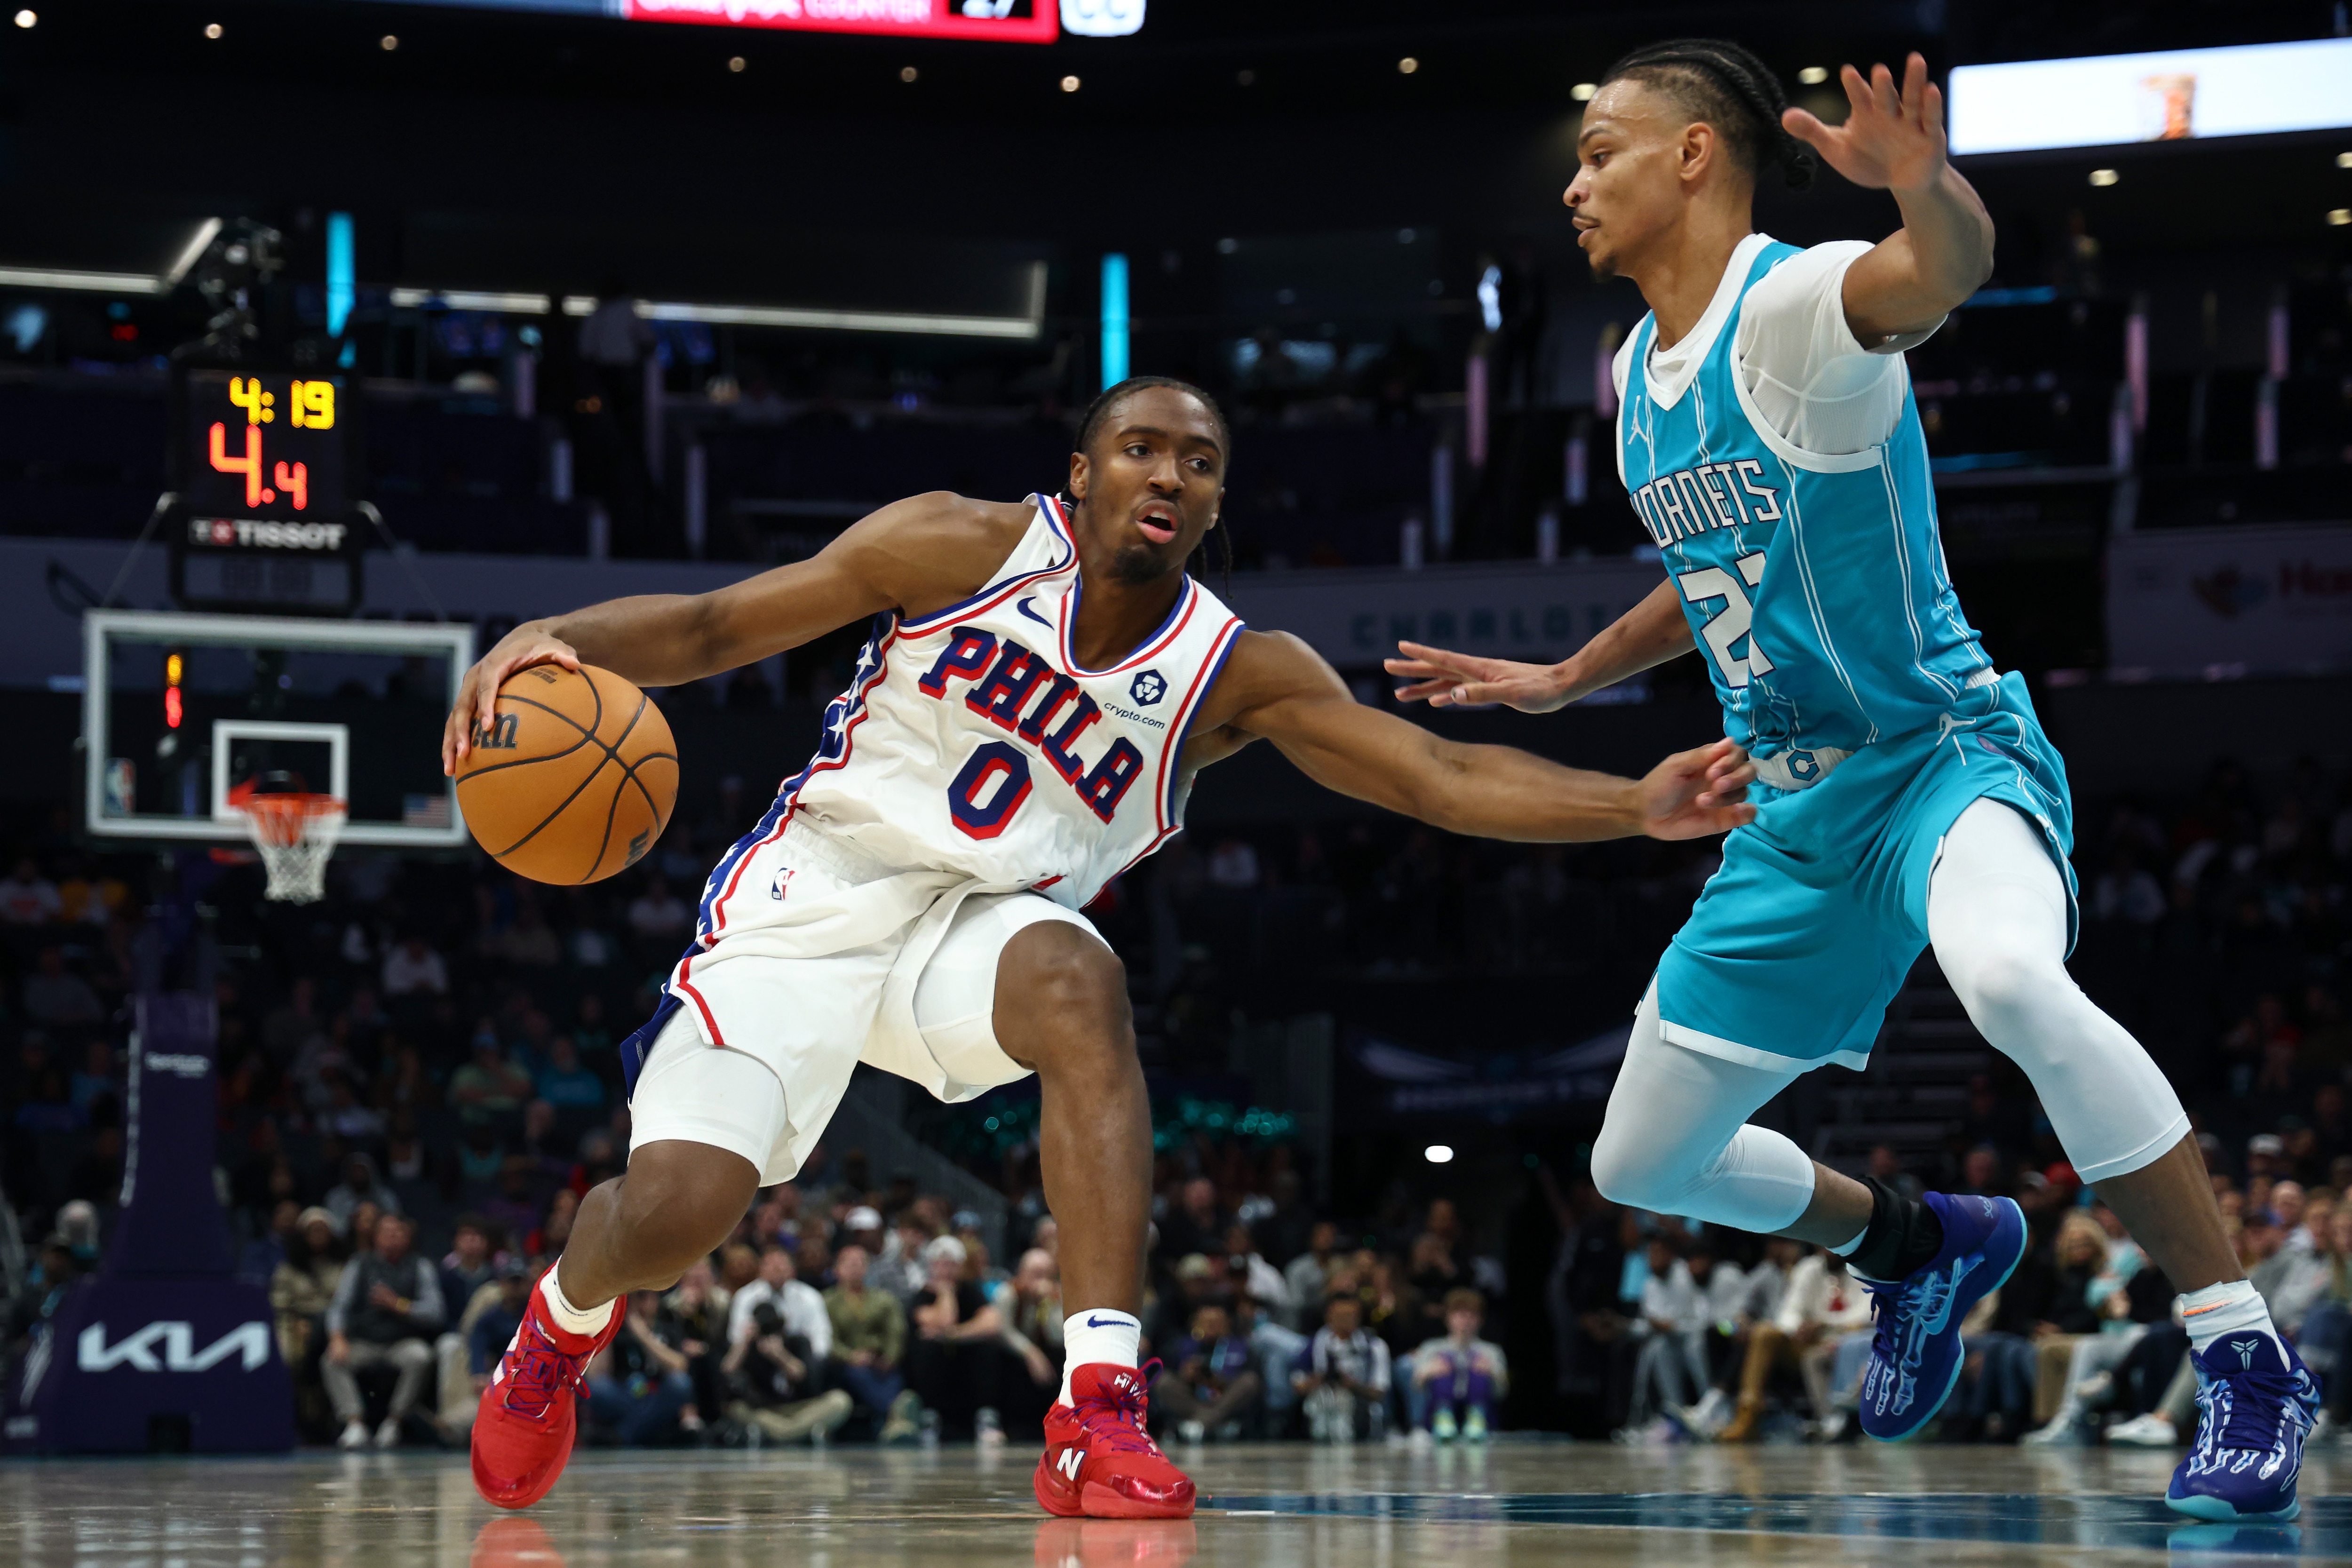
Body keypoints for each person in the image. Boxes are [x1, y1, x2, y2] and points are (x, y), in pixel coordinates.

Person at [445, 375, 1755, 1516]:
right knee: (671, 1217)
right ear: (1082, 473)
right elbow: (723, 625)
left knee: (1081, 973)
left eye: (1198, 461)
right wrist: (557, 637)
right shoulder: (959, 543)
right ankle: (559, 1323)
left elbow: (1432, 774)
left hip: (975, 933)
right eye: (1141, 446)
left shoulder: (1237, 670)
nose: (1169, 472)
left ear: (1213, 504)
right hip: (813, 900)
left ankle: (1098, 1409)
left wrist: (1632, 804)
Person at [1386, 38, 2311, 1522]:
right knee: (1640, 1160)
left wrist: (1923, 188)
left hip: (1938, 758)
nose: (1574, 182)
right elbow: (1705, 564)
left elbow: (1933, 274)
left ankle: (2241, 1354)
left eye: (1603, 149)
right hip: (1796, 813)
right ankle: (1911, 1241)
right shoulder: (1635, 373)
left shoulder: (1798, 307)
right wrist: (1565, 678)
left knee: (2007, 978)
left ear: (1694, 154)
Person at [321, 1212, 445, 1450]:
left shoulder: (419, 1265)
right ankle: (354, 1423)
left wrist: (398, 1305)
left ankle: (394, 1422)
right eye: (387, 1233)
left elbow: (435, 1311)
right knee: (331, 1360)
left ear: (408, 1238)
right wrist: (337, 1338)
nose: (393, 1239)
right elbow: (339, 1307)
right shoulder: (360, 1263)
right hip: (364, 1341)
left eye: (399, 1233)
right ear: (376, 1237)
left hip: (401, 1342)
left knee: (421, 1357)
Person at [824, 1242, 917, 1441]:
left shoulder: (884, 1299)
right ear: (837, 1269)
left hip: (880, 1360)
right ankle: (897, 1412)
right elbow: (826, 1338)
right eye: (850, 1264)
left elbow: (896, 1332)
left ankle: (895, 1419)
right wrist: (851, 1356)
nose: (856, 1268)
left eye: (860, 1263)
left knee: (892, 1375)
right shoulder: (827, 1301)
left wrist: (890, 1357)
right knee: (859, 1375)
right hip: (846, 1363)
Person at [1153, 1302, 1261, 1443]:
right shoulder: (1181, 1347)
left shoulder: (1242, 1347)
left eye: (1216, 1322)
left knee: (1250, 1381)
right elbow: (1171, 1376)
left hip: (1226, 1398)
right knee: (1164, 1381)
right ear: (1195, 1324)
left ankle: (1200, 1424)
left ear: (1227, 1323)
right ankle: (1212, 1423)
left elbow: (1250, 1380)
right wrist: (1186, 1375)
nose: (1211, 1327)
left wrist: (1220, 1380)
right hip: (1192, 1399)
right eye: (1207, 1322)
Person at [1411, 1288, 1508, 1442]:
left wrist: (1492, 1371)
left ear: (1480, 1320)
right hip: (1439, 1411)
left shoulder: (1491, 1351)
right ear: (1448, 1318)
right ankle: (1444, 1418)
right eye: (1460, 1315)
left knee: (1479, 1364)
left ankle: (1476, 1420)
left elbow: (1501, 1392)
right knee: (1444, 1361)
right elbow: (1416, 1387)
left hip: (1481, 1412)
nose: (1466, 1321)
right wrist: (1428, 1372)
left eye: (1472, 1316)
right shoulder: (1432, 1347)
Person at [1297, 1293, 1391, 1443]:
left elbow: (1379, 1391)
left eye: (1349, 1316)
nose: (1345, 1321)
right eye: (1339, 1316)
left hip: (1360, 1407)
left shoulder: (1374, 1346)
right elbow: (1298, 1385)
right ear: (1328, 1317)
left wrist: (1352, 1386)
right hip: (1322, 1402)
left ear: (1359, 1317)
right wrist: (1319, 1379)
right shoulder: (1316, 1344)